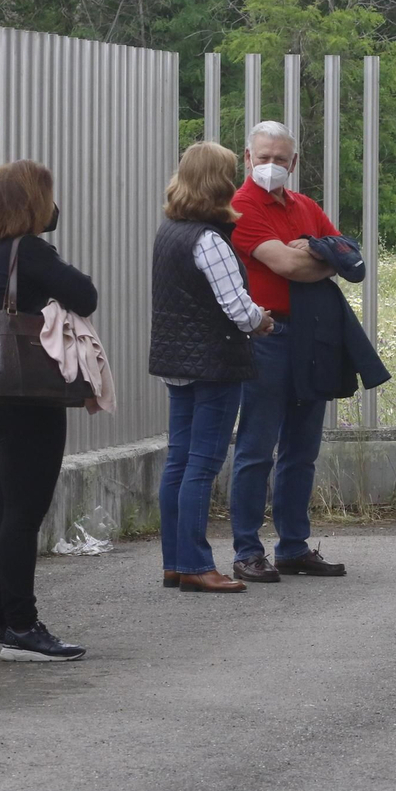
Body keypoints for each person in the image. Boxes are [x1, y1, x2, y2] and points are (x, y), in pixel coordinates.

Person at [0, 161, 98, 662]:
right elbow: (85, 295)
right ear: (34, 202)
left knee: (4, 509)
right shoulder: (31, 250)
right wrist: (48, 238)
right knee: (24, 516)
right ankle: (24, 628)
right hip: (32, 400)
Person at [228, 121, 350, 582]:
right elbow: (288, 265)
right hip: (266, 334)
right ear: (247, 158)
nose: (272, 166)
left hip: (310, 336)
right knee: (256, 448)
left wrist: (318, 253)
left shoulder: (306, 205)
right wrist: (321, 256)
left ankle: (293, 547)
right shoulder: (240, 206)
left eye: (281, 159)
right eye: (264, 158)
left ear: (294, 163)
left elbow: (349, 254)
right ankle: (246, 550)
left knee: (302, 449)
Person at [149, 143, 274, 595]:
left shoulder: (170, 230)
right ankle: (198, 565)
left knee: (178, 461)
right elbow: (236, 307)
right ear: (219, 182)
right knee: (202, 464)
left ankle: (175, 563)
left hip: (176, 362)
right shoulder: (209, 238)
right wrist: (262, 319)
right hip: (215, 362)